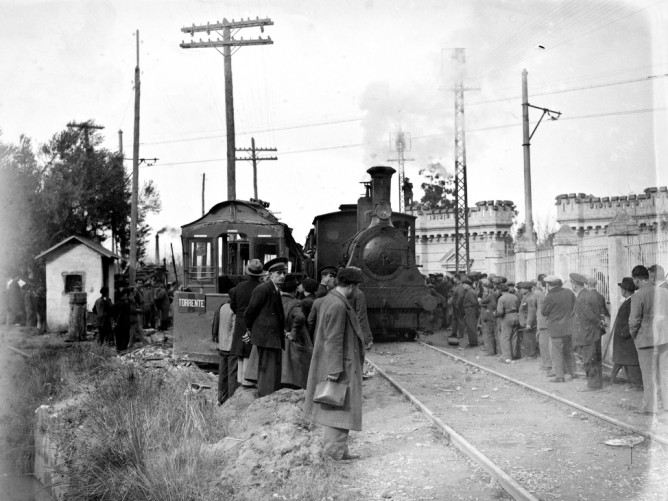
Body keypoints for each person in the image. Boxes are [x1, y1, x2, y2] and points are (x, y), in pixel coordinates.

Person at [304, 267, 366, 460]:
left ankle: (339, 449)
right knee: (338, 408)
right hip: (341, 364)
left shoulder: (330, 300)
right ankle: (333, 452)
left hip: (339, 362)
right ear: (353, 286)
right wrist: (334, 370)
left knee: (338, 407)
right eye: (356, 287)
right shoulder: (338, 305)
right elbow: (333, 338)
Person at [244, 257, 287, 397]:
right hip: (266, 337)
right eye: (279, 273)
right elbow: (250, 312)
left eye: (284, 273)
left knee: (272, 371)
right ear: (270, 274)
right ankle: (266, 398)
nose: (282, 276)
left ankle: (269, 397)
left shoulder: (273, 289)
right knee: (268, 372)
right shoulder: (263, 289)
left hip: (272, 337)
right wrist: (250, 329)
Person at [628, 265, 668, 415]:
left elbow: (634, 321)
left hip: (646, 340)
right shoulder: (664, 292)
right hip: (664, 338)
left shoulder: (638, 296)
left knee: (648, 374)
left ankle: (650, 408)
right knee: (665, 372)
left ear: (637, 280)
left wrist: (634, 335)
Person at [230, 259, 264, 387]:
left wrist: (240, 315)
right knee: (252, 351)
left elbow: (233, 305)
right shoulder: (262, 288)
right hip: (255, 323)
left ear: (248, 273)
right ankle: (251, 380)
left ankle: (242, 379)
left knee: (241, 351)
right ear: (260, 275)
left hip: (240, 322)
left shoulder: (239, 287)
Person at [570, 272, 605, 391]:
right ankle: (596, 383)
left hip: (588, 333)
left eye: (571, 283)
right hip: (592, 332)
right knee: (593, 358)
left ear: (575, 285)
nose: (571, 286)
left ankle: (593, 385)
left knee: (589, 360)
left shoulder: (582, 297)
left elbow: (589, 315)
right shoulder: (588, 294)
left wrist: (598, 324)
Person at [541, 276, 576, 383]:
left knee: (557, 351)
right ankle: (571, 373)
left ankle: (560, 376)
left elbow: (544, 312)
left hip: (555, 328)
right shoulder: (569, 292)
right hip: (569, 327)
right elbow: (575, 307)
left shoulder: (549, 296)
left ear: (548, 285)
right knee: (568, 351)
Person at [280, 274, 312, 389]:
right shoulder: (295, 303)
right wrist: (293, 334)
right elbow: (300, 317)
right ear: (294, 290)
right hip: (292, 342)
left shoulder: (275, 300)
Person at [610, 277, 642, 388]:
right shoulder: (629, 300)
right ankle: (629, 382)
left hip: (626, 338)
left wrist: (624, 333)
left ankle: (637, 384)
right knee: (623, 360)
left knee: (629, 361)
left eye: (621, 289)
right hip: (623, 338)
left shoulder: (632, 301)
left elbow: (633, 320)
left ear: (624, 290)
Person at [212, 296, 238, 405]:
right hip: (231, 346)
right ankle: (231, 401)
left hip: (221, 345)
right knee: (232, 374)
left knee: (222, 373)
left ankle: (221, 398)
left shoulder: (222, 307)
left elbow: (215, 325)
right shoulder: (235, 310)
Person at [496, 283, 520, 362]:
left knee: (505, 337)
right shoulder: (515, 297)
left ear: (500, 290)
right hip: (516, 315)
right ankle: (514, 354)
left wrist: (495, 314)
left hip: (507, 317)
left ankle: (507, 357)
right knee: (514, 336)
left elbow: (500, 312)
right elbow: (518, 307)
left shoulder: (501, 298)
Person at [533, 276, 552, 372]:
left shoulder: (541, 294)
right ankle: (547, 363)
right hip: (545, 322)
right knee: (545, 344)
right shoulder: (544, 294)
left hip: (543, 323)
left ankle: (547, 364)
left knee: (544, 344)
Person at [518, 282, 539, 358]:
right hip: (525, 321)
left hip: (529, 321)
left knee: (530, 338)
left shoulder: (531, 298)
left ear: (527, 289)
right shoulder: (526, 296)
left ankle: (532, 354)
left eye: (522, 288)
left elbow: (531, 311)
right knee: (527, 338)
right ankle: (529, 354)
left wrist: (528, 323)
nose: (520, 290)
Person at [479, 279, 497, 356]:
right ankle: (491, 350)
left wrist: (480, 301)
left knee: (489, 333)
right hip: (491, 314)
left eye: (486, 288)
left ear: (489, 288)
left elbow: (483, 302)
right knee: (490, 333)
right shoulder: (493, 294)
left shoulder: (490, 295)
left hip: (489, 315)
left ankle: (491, 351)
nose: (485, 289)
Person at [461, 278, 480, 348]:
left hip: (470, 310)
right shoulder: (470, 291)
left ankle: (473, 343)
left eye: (464, 285)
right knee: (470, 326)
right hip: (470, 310)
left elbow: (474, 303)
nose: (463, 286)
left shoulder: (470, 292)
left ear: (468, 285)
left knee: (471, 326)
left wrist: (475, 312)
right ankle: (472, 342)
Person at [450, 274, 465, 339]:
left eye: (454, 278)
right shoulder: (456, 286)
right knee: (454, 319)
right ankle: (454, 333)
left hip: (458, 306)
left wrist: (457, 304)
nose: (453, 279)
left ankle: (461, 334)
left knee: (460, 320)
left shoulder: (460, 286)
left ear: (457, 278)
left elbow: (461, 296)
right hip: (455, 305)